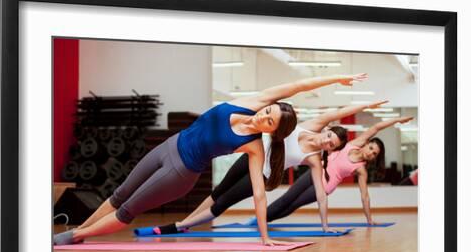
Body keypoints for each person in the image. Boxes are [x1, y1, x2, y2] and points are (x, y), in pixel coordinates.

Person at [53, 73, 368, 246]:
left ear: (273, 132)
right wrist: (337, 78)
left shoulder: (255, 147)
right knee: (119, 193)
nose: (264, 117)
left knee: (128, 209)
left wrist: (265, 236)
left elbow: (259, 193)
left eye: (269, 122)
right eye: (268, 112)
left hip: (181, 171)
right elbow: (298, 86)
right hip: (168, 145)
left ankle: (73, 235)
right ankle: (83, 228)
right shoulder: (252, 102)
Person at [155, 100, 388, 234]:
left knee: (224, 203)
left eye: (331, 145)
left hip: (262, 174)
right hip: (249, 156)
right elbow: (339, 112)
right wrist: (368, 105)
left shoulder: (315, 160)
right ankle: (188, 222)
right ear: (326, 130)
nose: (326, 141)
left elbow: (321, 194)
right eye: (329, 136)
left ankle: (179, 225)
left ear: (331, 149)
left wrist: (325, 225)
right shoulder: (311, 125)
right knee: (217, 192)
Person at [257, 116, 414, 226]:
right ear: (367, 144)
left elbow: (365, 196)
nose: (370, 153)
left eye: (374, 154)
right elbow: (376, 127)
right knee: (287, 197)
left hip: (326, 186)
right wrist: (397, 120)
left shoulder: (361, 169)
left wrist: (369, 219)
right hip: (315, 173)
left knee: (293, 205)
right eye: (371, 148)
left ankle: (265, 221)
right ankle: (258, 219)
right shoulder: (354, 143)